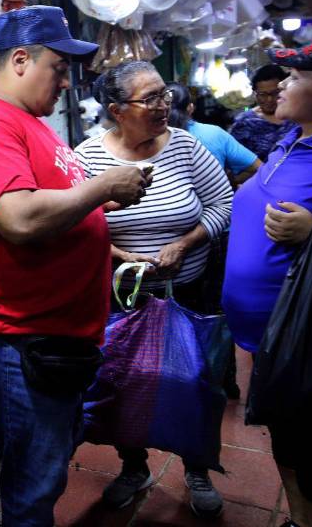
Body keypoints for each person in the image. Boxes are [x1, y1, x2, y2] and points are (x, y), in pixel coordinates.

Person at [0, 6, 151, 527]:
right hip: (25, 337)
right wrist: (102, 187)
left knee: (50, 459)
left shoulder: (29, 124)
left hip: (60, 332)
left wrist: (98, 222)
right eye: (58, 68)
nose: (65, 82)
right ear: (20, 60)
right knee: (34, 486)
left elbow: (52, 206)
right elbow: (19, 218)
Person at [74, 61, 233, 520]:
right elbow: (78, 222)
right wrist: (120, 255)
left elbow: (223, 203)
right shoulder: (87, 158)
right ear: (117, 110)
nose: (165, 105)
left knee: (198, 381)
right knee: (123, 382)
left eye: (164, 94)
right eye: (150, 99)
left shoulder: (185, 146)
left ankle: (197, 470)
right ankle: (134, 467)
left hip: (190, 291)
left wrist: (185, 244)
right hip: (124, 296)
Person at [222, 42, 312, 527]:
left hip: (307, 336)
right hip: (269, 335)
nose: (281, 85)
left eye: (296, 77)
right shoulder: (288, 141)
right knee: (287, 436)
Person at [165, 81, 261, 400]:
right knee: (215, 311)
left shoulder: (160, 139)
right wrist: (233, 182)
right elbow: (258, 169)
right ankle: (222, 379)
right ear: (190, 108)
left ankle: (181, 380)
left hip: (179, 244)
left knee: (177, 313)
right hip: (217, 236)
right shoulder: (212, 135)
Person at [229, 64, 295, 161]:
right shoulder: (245, 122)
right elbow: (235, 160)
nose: (269, 99)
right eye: (262, 94)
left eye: (275, 93)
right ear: (255, 93)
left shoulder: (296, 116)